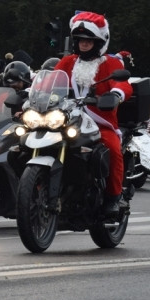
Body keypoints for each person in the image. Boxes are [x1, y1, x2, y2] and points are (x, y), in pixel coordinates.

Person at [53, 12, 132, 215]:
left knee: (112, 149)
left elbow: (123, 83)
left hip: (99, 122)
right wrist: (28, 94)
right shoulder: (68, 61)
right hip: (66, 119)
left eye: (89, 40)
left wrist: (116, 94)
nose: (84, 44)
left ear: (98, 42)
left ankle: (114, 197)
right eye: (80, 40)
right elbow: (52, 81)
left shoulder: (111, 63)